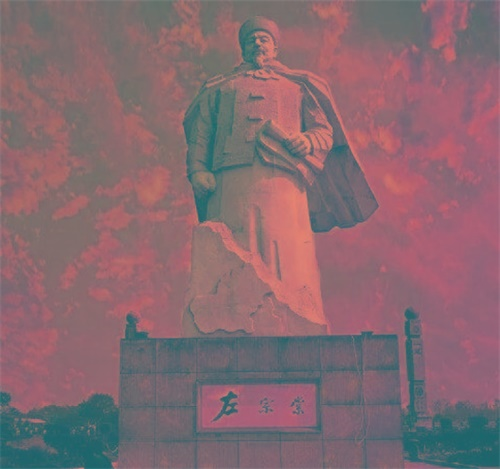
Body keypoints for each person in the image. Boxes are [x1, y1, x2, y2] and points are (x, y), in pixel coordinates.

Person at [183, 17, 377, 334]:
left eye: (264, 39)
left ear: (275, 47)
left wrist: (308, 141)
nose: (257, 44)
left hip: (284, 183)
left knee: (285, 251)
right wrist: (197, 170)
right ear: (243, 49)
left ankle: (291, 314)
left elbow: (323, 131)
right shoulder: (220, 88)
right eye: (251, 40)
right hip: (229, 180)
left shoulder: (297, 86)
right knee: (230, 245)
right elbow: (201, 134)